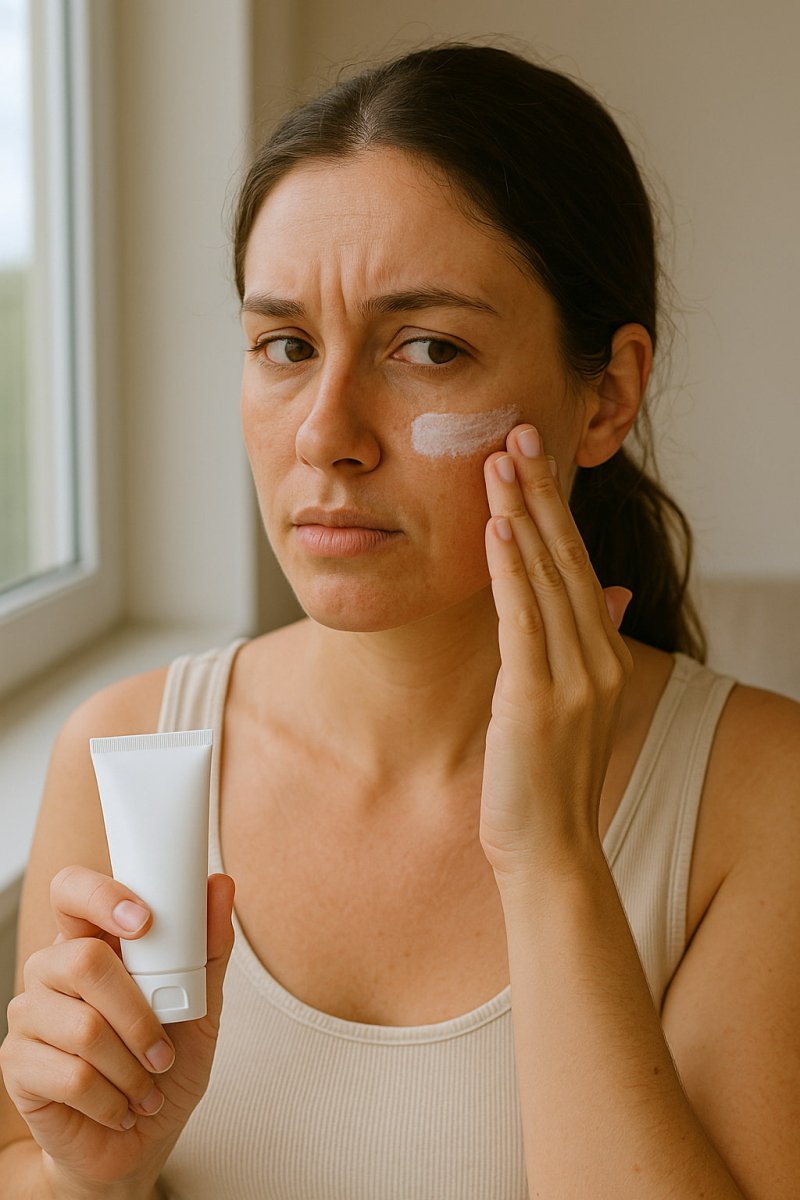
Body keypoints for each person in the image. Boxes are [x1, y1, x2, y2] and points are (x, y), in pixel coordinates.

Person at [1, 41, 798, 1200]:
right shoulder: (122, 755)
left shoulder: (761, 802)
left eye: (428, 347)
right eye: (284, 346)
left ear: (605, 394)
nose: (328, 432)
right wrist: (96, 1180)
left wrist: (550, 860)